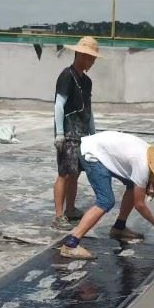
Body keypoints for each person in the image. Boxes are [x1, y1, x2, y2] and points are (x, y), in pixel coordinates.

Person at [59, 131, 154, 260]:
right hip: (93, 153)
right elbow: (139, 204)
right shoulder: (142, 166)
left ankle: (119, 228)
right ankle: (71, 244)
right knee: (106, 201)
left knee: (132, 185)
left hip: (104, 150)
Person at [52, 35, 100, 231]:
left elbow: (88, 109)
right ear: (80, 55)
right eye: (90, 58)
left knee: (75, 173)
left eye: (93, 59)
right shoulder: (67, 76)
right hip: (68, 131)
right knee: (64, 173)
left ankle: (71, 209)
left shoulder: (86, 82)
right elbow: (59, 105)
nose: (92, 62)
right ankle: (58, 215)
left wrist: (93, 134)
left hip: (81, 132)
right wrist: (59, 133)